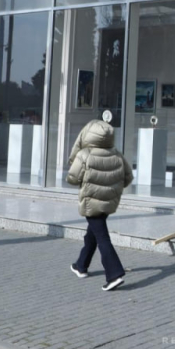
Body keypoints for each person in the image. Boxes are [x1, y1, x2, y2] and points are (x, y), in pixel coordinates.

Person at [67, 119, 134, 291]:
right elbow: (128, 177)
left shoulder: (84, 154)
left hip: (91, 202)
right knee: (93, 234)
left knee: (102, 237)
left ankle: (114, 274)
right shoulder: (117, 154)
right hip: (109, 201)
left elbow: (72, 178)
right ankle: (81, 265)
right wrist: (112, 188)